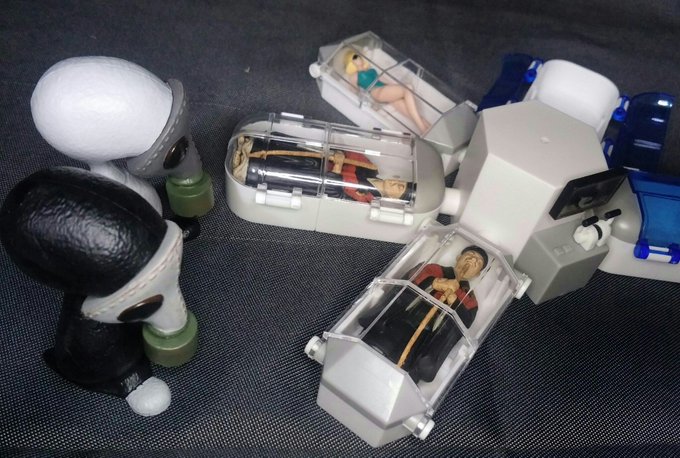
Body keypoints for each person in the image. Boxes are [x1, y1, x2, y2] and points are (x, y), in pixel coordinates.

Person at [361, 245, 488, 384]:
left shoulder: (470, 299)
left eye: (478, 262)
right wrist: (436, 283)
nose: (472, 260)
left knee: (411, 361)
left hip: (429, 334)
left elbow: (466, 320)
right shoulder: (434, 269)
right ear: (458, 257)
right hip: (405, 317)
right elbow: (414, 277)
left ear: (477, 274)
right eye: (470, 254)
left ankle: (400, 380)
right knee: (382, 342)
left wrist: (455, 301)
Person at [231, 135, 413, 202]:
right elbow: (352, 154)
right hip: (321, 160)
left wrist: (339, 166)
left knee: (283, 171)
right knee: (289, 151)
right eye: (401, 182)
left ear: (393, 198)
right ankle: (250, 146)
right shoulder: (371, 169)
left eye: (399, 188)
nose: (395, 183)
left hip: (314, 180)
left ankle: (245, 167)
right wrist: (340, 155)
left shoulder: (365, 198)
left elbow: (336, 195)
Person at [343, 51, 431, 134]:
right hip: (376, 91)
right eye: (355, 58)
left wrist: (394, 87)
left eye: (358, 56)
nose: (358, 58)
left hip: (384, 89)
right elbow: (354, 92)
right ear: (351, 62)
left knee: (411, 112)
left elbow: (381, 80)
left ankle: (429, 129)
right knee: (408, 87)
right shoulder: (354, 76)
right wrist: (365, 101)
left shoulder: (370, 69)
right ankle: (422, 128)